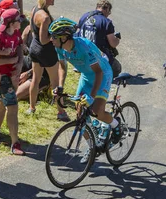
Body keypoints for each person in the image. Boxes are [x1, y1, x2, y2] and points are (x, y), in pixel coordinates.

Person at [49, 17, 121, 161]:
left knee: (97, 111)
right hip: (87, 76)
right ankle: (92, 147)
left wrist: (91, 97)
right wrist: (60, 87)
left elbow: (99, 73)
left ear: (64, 37)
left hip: (102, 74)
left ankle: (116, 126)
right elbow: (63, 67)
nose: (51, 39)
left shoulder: (84, 47)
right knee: (80, 113)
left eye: (54, 36)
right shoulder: (59, 47)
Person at [0, 8, 25, 155]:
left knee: (2, 104)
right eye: (18, 20)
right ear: (10, 23)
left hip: (12, 74)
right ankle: (15, 143)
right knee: (13, 107)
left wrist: (19, 63)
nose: (20, 22)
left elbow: (20, 46)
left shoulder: (16, 33)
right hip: (2, 77)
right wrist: (8, 58)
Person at [28, 0, 69, 120]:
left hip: (34, 48)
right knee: (56, 82)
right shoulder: (45, 17)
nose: (54, 0)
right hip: (45, 51)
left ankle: (32, 108)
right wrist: (56, 36)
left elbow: (32, 30)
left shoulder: (35, 10)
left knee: (35, 79)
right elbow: (44, 39)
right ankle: (61, 112)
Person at [77, 0, 122, 76]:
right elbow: (113, 44)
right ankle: (101, 77)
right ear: (106, 8)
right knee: (117, 68)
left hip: (81, 54)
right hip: (97, 56)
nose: (108, 14)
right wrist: (117, 38)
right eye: (109, 11)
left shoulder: (85, 16)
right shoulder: (106, 22)